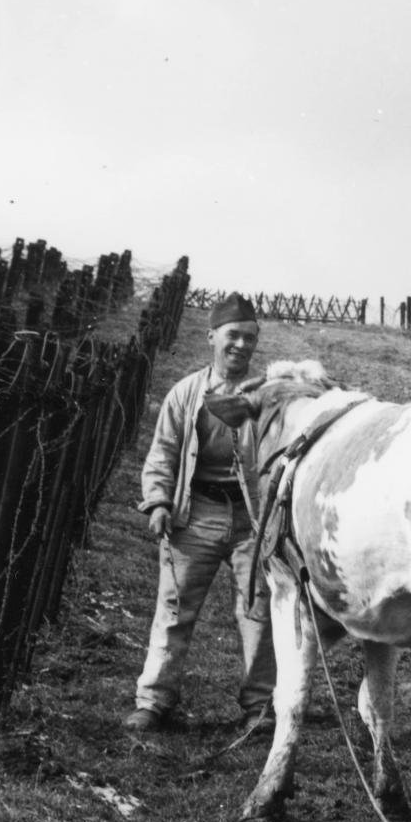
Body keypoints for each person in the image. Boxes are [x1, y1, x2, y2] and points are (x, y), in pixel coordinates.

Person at [122, 292, 277, 733]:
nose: (241, 345)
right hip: (196, 515)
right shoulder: (186, 393)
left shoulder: (267, 397)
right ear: (212, 337)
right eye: (233, 335)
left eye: (250, 338)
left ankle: (259, 706)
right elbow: (163, 454)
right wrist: (158, 502)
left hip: (252, 521)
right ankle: (153, 701)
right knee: (175, 610)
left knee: (259, 612)